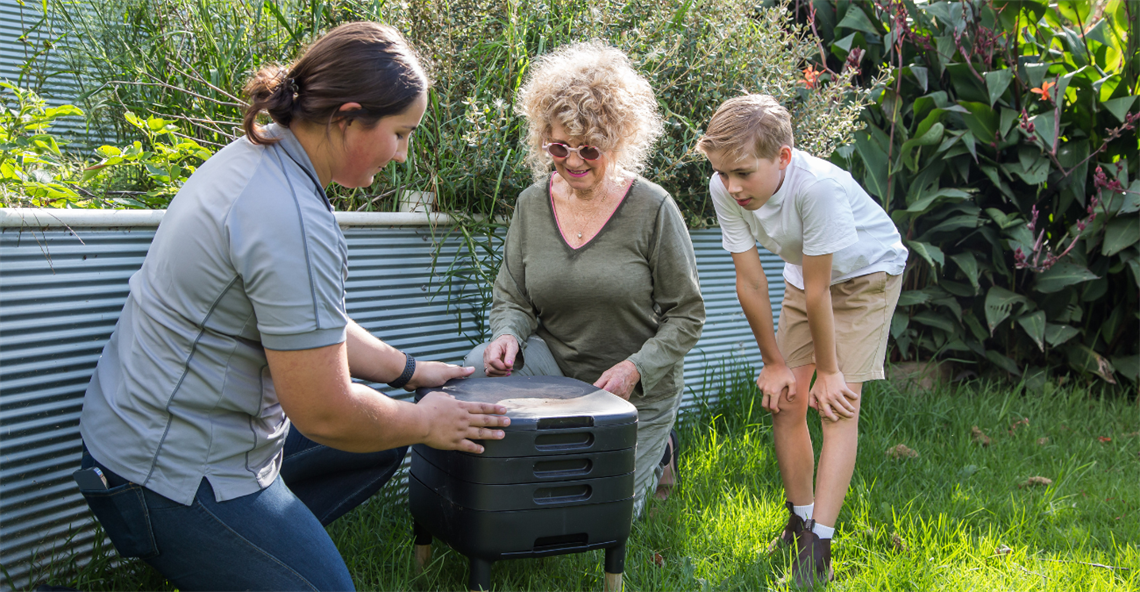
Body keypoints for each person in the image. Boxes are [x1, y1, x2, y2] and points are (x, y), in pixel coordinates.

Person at [75, 22, 509, 592]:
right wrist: (428, 420)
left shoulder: (262, 156)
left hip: (127, 438)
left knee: (380, 437)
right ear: (348, 117)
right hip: (160, 476)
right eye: (401, 134)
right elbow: (325, 413)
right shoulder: (290, 216)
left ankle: (247, 556)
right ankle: (231, 552)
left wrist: (408, 373)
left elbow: (310, 324)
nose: (403, 156)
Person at [465, 41, 705, 518]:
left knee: (597, 514)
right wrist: (508, 335)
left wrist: (636, 369)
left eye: (589, 150)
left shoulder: (653, 208)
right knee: (476, 370)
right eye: (558, 147)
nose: (572, 161)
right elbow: (512, 295)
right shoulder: (531, 205)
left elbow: (687, 313)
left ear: (616, 142)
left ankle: (660, 453)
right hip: (554, 366)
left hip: (635, 386)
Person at [697, 95, 907, 586]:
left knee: (837, 407)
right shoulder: (724, 185)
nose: (732, 186)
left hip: (866, 276)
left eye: (744, 173)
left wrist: (830, 372)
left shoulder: (818, 190)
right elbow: (750, 281)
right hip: (805, 276)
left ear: (783, 158)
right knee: (787, 401)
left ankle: (821, 544)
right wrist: (773, 362)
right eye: (723, 173)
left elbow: (822, 292)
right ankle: (800, 520)